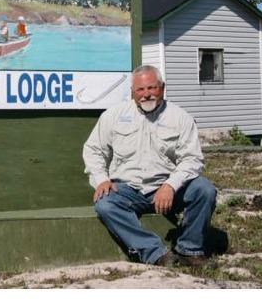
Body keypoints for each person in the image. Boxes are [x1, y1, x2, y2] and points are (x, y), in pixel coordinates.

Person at [83, 65, 217, 267]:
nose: (147, 94)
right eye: (141, 90)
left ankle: (189, 250)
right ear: (133, 92)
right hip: (128, 189)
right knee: (105, 204)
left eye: (152, 88)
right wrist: (102, 179)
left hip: (167, 189)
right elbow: (93, 150)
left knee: (204, 189)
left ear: (162, 88)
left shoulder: (180, 117)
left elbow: (192, 159)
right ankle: (156, 254)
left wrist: (171, 185)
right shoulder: (113, 115)